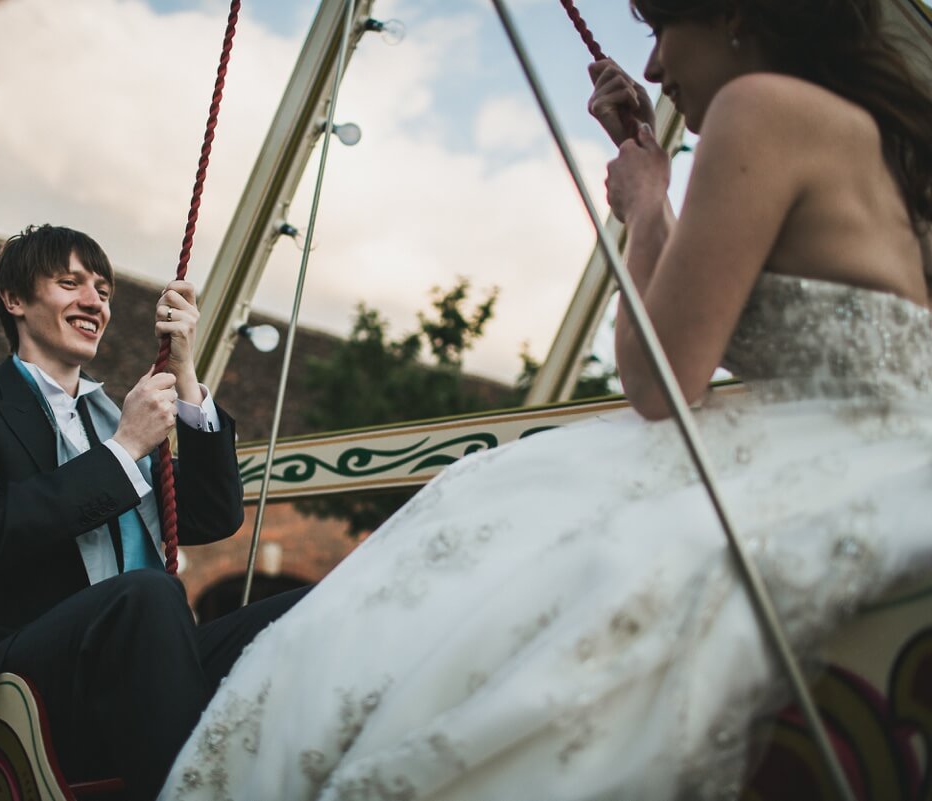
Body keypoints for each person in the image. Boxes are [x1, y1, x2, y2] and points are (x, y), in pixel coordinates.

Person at [156, 0, 932, 798]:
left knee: (473, 550)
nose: (657, 68)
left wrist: (638, 206)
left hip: (812, 437)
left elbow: (659, 378)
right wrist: (645, 167)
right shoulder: (874, 136)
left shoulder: (760, 105)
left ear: (733, 14)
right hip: (870, 442)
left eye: (663, 30)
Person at [0, 224, 307, 799]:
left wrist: (186, 375)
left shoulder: (113, 415)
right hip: (19, 673)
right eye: (70, 283)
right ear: (14, 300)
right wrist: (124, 450)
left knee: (305, 609)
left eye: (104, 291)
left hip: (149, 657)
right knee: (147, 593)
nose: (95, 301)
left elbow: (214, 516)